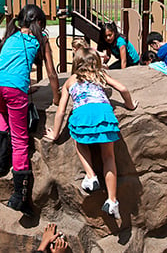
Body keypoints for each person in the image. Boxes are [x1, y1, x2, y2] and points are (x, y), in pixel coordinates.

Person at [44, 47, 138, 219]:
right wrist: (130, 106)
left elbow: (61, 111)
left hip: (83, 116)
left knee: (79, 141)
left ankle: (91, 175)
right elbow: (123, 89)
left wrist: (55, 134)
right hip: (104, 114)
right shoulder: (100, 75)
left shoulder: (70, 81)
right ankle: (112, 200)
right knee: (109, 157)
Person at [0, 4, 60, 215]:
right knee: (20, 140)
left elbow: (9, 63)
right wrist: (56, 97)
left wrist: (24, 86)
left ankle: (1, 162)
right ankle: (20, 196)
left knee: (3, 113)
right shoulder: (41, 40)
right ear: (38, 23)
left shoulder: (10, 36)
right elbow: (52, 73)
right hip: (13, 89)